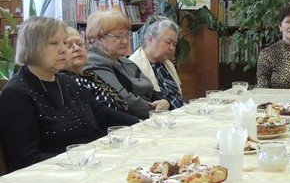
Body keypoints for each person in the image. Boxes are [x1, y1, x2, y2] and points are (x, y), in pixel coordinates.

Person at [0, 17, 137, 173]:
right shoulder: (16, 93)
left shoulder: (66, 81)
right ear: (32, 47)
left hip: (91, 164)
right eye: (54, 43)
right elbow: (25, 160)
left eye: (64, 43)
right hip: (56, 176)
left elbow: (102, 113)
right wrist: (88, 160)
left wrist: (142, 124)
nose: (63, 49)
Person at [83, 10, 169, 119]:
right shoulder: (94, 62)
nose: (125, 41)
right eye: (117, 36)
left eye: (127, 35)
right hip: (126, 122)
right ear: (98, 38)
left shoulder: (123, 60)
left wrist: (164, 101)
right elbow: (123, 99)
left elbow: (150, 89)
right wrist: (156, 110)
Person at [62, 26, 134, 115]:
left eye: (80, 43)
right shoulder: (67, 82)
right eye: (69, 46)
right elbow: (100, 115)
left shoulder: (90, 75)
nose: (77, 48)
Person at [128, 17, 184, 109]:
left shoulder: (166, 64)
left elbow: (177, 95)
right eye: (168, 42)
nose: (172, 48)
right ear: (150, 40)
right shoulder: (132, 66)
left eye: (174, 44)